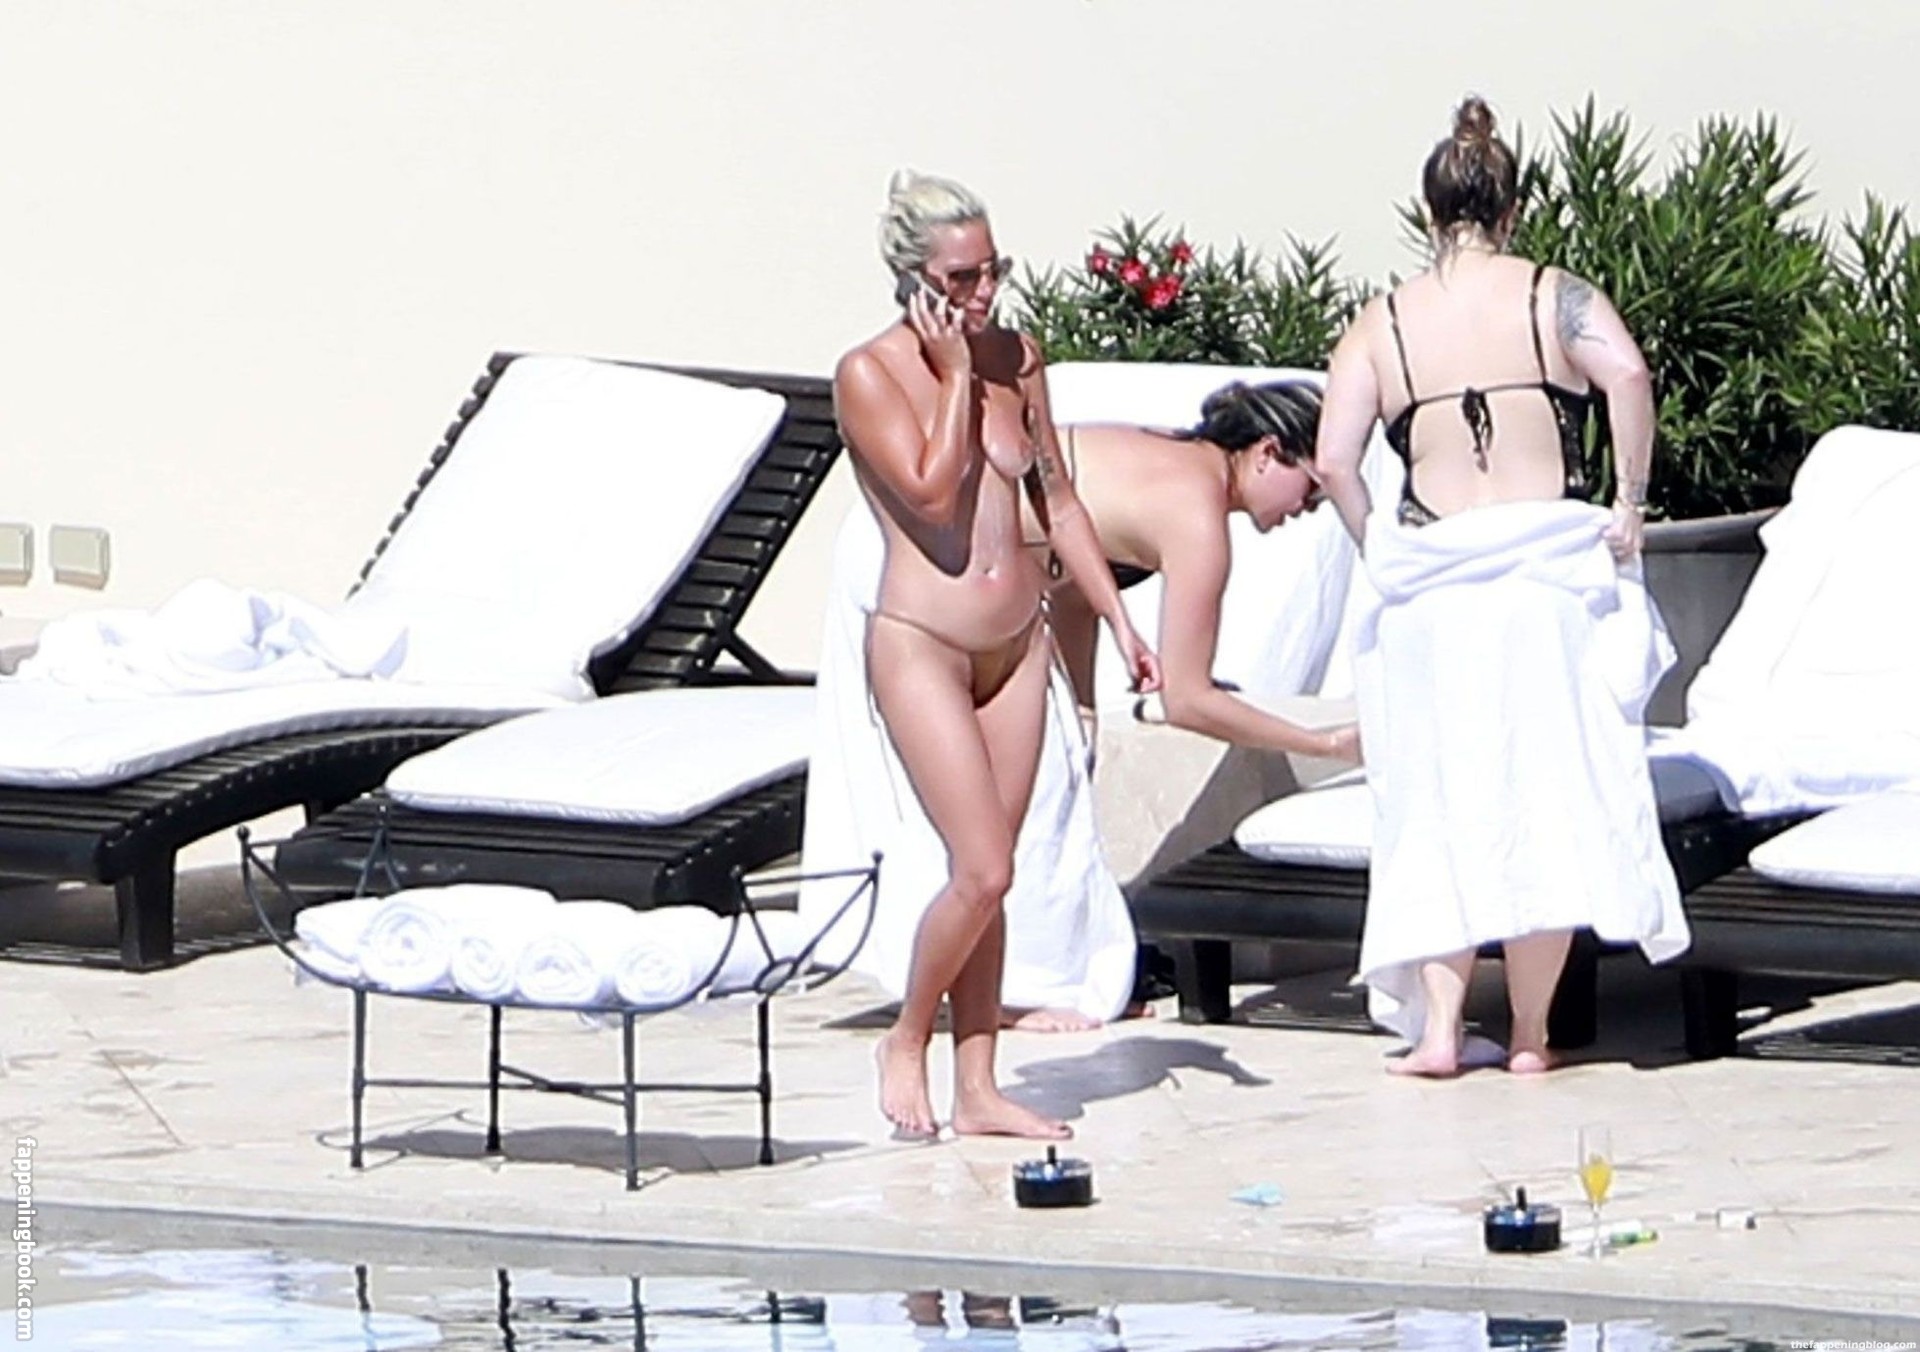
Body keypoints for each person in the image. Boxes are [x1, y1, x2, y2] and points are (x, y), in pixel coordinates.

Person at [1314, 96, 1690, 1077]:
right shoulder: (1550, 295)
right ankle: (1528, 1036)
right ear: (1513, 208)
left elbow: (1333, 459)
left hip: (1433, 589)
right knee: (1544, 799)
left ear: (1427, 212)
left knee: (1438, 807)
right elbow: (1629, 375)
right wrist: (1629, 501)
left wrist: (1377, 541)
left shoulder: (1383, 322)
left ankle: (1441, 1030)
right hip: (1540, 582)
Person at [833, 170, 1160, 1138]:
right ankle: (906, 1036)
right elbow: (933, 492)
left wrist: (1122, 621)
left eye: (993, 270)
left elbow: (1056, 496)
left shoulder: (1018, 357)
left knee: (998, 870)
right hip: (923, 643)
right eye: (962, 277)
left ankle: (978, 1087)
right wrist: (955, 375)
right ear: (914, 277)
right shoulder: (870, 373)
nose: (983, 293)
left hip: (1016, 643)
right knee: (979, 869)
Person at [1029, 379, 1362, 762]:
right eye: (1314, 489)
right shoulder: (1197, 518)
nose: (1309, 508)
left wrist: (1081, 715)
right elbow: (1186, 701)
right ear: (1268, 452)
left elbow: (1074, 591)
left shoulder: (1168, 451)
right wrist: (1326, 745)